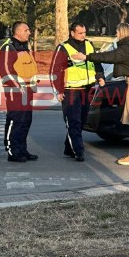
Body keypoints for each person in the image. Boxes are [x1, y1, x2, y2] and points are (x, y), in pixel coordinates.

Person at [79, 22, 129, 166]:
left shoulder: (127, 49)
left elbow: (110, 56)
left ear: (122, 33)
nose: (116, 35)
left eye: (117, 32)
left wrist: (86, 57)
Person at [49, 22, 105, 162]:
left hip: (86, 89)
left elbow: (96, 62)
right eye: (80, 33)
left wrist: (100, 76)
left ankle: (69, 147)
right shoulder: (63, 48)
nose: (83, 35)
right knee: (73, 121)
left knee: (81, 121)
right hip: (71, 91)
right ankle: (78, 151)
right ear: (72, 33)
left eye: (84, 32)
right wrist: (59, 90)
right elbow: (54, 72)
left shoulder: (89, 45)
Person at [0, 21, 39, 163]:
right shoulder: (9, 48)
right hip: (15, 91)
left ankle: (22, 149)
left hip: (28, 91)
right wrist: (18, 86)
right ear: (18, 32)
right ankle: (12, 151)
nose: (29, 32)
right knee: (16, 120)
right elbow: (5, 70)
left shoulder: (24, 47)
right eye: (26, 30)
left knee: (26, 121)